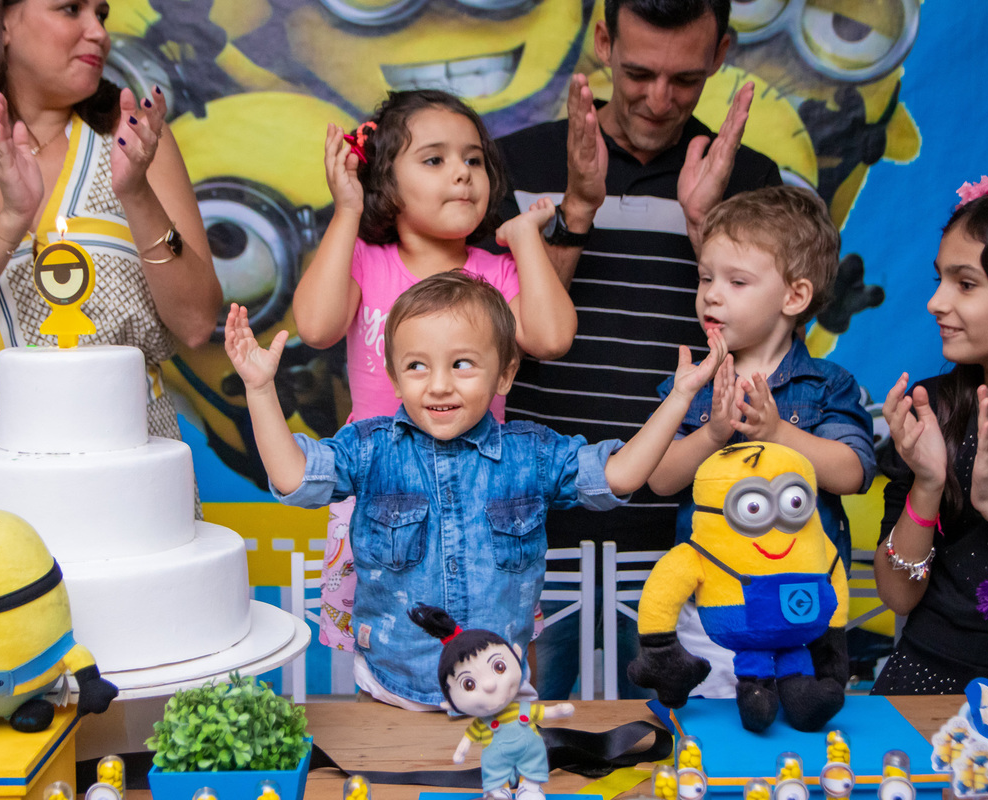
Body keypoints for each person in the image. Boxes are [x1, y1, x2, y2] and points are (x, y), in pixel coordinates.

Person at [225, 271, 726, 708]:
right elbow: (294, 478)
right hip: (391, 694)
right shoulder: (371, 448)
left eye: (461, 364)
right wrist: (260, 389)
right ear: (396, 378)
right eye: (417, 366)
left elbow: (619, 476)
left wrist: (680, 398)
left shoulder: (532, 454)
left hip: (502, 696)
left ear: (505, 372)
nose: (438, 385)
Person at [494, 0, 781, 700]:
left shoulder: (750, 179)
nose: (659, 100)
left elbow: (773, 351)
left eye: (684, 79)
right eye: (638, 72)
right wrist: (576, 213)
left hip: (689, 528)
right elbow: (500, 341)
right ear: (602, 42)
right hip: (531, 523)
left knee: (671, 747)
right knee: (528, 742)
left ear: (722, 54)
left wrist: (704, 226)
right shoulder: (517, 163)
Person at [0, 0, 221, 513]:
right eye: (70, 9)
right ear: (1, 20)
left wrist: (137, 195)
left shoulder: (137, 145)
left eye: (102, 14)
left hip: (129, 475)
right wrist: (11, 221)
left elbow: (194, 322)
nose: (97, 31)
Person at [291, 89, 577, 651]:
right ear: (385, 184)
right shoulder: (364, 262)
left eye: (474, 160)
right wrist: (347, 209)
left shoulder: (497, 272)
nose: (463, 174)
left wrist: (525, 243)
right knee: (380, 655)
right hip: (380, 495)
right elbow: (316, 326)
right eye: (435, 159)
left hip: (485, 495)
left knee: (499, 649)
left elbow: (552, 337)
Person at [648, 185, 876, 696]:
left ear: (794, 296)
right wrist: (711, 434)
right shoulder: (690, 384)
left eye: (736, 281)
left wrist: (779, 433)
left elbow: (854, 472)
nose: (711, 293)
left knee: (802, 737)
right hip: (714, 609)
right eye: (706, 277)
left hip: (807, 611)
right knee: (711, 741)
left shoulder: (825, 385)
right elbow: (660, 479)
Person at [872, 178, 988, 695]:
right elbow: (897, 596)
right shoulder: (933, 411)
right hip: (928, 676)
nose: (936, 302)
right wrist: (927, 484)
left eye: (966, 284)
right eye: (939, 280)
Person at [408, 603, 575, 800]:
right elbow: (468, 738)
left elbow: (543, 713)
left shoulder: (521, 709)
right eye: (469, 684)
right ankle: (497, 790)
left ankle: (529, 788)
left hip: (530, 756)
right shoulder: (481, 724)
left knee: (532, 767)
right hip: (497, 761)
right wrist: (461, 751)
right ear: (449, 700)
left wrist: (557, 710)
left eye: (499, 667)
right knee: (495, 770)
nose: (489, 685)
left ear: (516, 655)